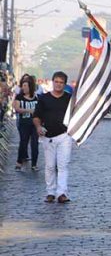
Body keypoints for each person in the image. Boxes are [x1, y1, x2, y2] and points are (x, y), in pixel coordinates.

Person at [32, 71, 73, 203]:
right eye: (56, 82)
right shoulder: (43, 98)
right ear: (52, 82)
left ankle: (62, 193)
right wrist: (38, 127)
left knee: (63, 165)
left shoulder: (69, 98)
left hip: (64, 135)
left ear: (65, 84)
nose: (58, 85)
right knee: (50, 166)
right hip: (47, 136)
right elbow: (36, 116)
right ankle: (50, 192)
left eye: (61, 82)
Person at [13, 77, 39, 171]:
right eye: (22, 86)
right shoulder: (19, 97)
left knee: (35, 144)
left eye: (25, 86)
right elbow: (17, 108)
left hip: (35, 124)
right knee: (23, 143)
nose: (23, 88)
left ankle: (34, 164)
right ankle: (19, 162)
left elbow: (40, 110)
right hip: (24, 124)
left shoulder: (36, 97)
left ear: (30, 87)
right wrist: (29, 110)